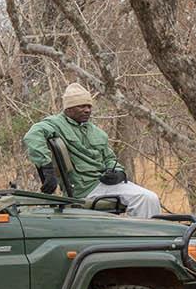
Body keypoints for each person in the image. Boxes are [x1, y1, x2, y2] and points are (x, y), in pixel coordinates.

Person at [22, 83, 162, 218]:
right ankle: (145, 233)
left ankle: (135, 232)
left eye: (89, 106)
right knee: (146, 198)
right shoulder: (56, 124)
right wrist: (47, 168)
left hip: (104, 184)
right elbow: (32, 136)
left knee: (149, 197)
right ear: (69, 108)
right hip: (85, 188)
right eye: (81, 106)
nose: (87, 110)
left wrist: (118, 173)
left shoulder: (96, 132)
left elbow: (110, 158)